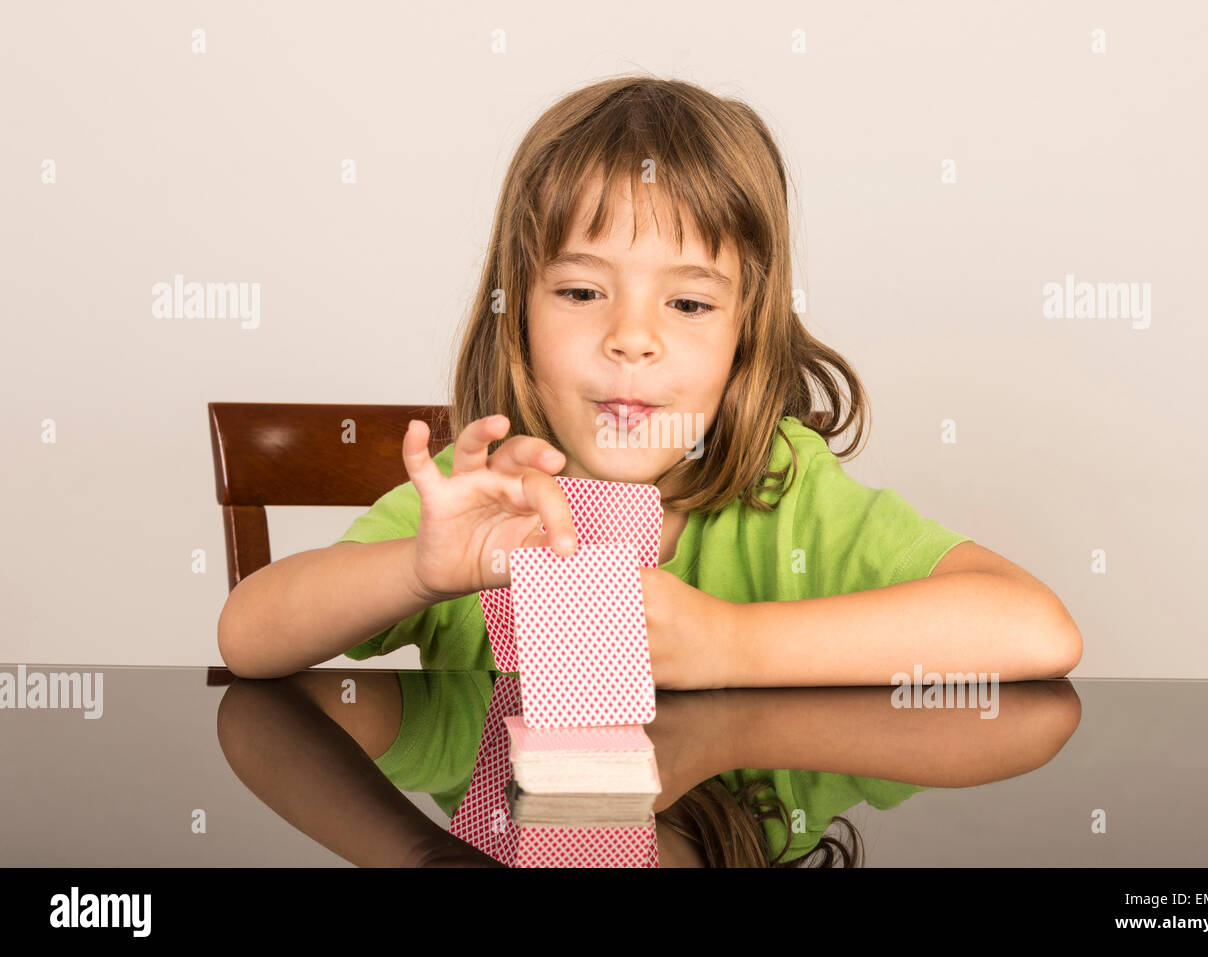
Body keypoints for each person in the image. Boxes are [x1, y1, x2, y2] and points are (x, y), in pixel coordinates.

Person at [218, 74, 1082, 691]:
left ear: (747, 335)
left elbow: (1035, 626)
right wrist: (423, 569)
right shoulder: (483, 499)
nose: (632, 338)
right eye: (582, 291)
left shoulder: (786, 488)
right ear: (515, 313)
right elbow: (248, 637)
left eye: (690, 303)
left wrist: (730, 646)